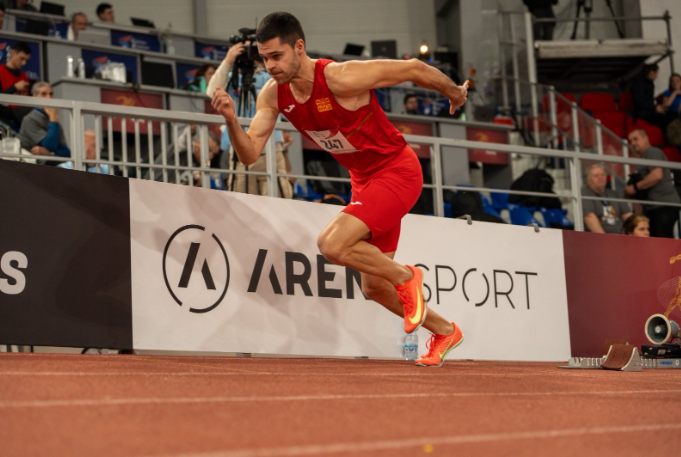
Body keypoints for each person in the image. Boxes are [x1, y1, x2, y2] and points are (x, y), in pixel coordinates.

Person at [212, 12, 469, 367]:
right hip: (363, 181)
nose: (269, 66)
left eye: (276, 56)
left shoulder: (340, 77)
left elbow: (411, 69)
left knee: (331, 244)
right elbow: (250, 153)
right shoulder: (273, 95)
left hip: (397, 171)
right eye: (264, 58)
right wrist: (230, 120)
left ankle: (407, 276)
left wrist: (454, 92)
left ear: (298, 47)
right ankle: (444, 330)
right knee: (373, 288)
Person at [207, 42, 292, 199]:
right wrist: (228, 61)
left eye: (252, 49)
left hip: (270, 147)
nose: (248, 53)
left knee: (280, 199)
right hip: (240, 148)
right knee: (243, 200)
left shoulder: (267, 76)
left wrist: (267, 61)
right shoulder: (232, 78)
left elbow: (289, 88)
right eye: (244, 49)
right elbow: (211, 91)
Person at [625, 129, 680, 238]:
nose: (633, 143)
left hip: (664, 205)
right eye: (630, 141)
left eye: (636, 139)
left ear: (646, 138)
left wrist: (635, 187)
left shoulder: (652, 152)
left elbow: (657, 175)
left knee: (663, 242)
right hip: (655, 207)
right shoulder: (644, 156)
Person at [18, 81, 70, 161]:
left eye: (51, 94)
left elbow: (67, 153)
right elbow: (50, 146)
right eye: (44, 94)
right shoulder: (29, 119)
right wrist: (53, 119)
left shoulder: (55, 122)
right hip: (29, 165)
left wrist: (51, 154)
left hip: (54, 164)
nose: (49, 97)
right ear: (35, 96)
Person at [581, 164, 632, 234]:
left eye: (602, 175)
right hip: (598, 237)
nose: (600, 177)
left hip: (621, 235)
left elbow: (628, 216)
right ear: (588, 180)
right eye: (596, 176)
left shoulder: (615, 194)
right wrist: (604, 238)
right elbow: (589, 217)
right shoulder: (584, 194)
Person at [632, 64, 676, 133]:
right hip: (644, 113)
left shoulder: (650, 83)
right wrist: (655, 107)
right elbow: (639, 101)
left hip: (651, 110)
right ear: (652, 72)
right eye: (656, 73)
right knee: (666, 120)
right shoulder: (640, 83)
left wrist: (658, 107)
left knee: (674, 115)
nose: (656, 75)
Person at [0, 41, 32, 127]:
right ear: (13, 52)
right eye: (22, 58)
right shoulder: (0, 72)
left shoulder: (24, 77)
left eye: (26, 60)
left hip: (20, 120)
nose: (24, 63)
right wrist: (15, 87)